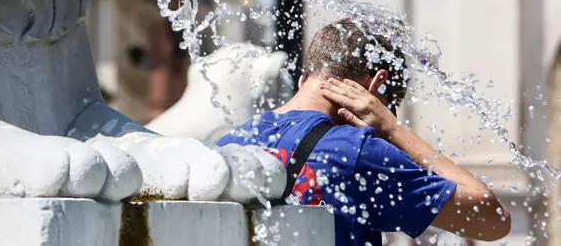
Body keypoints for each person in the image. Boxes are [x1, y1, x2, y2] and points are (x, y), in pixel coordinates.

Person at [218, 18, 511, 245]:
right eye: (390, 105)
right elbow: (492, 220)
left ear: (304, 79)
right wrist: (391, 129)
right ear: (376, 85)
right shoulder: (356, 152)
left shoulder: (232, 144)